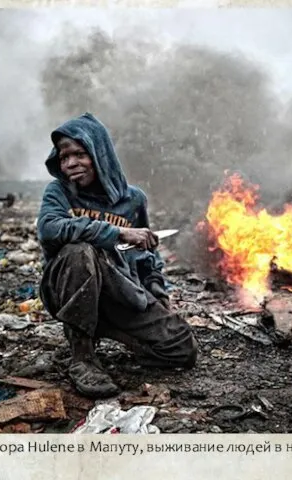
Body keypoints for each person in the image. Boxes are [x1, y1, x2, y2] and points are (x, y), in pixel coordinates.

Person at [37, 113, 197, 398]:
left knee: (182, 349)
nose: (70, 163)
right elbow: (50, 228)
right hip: (67, 286)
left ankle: (109, 329)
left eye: (79, 154)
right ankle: (82, 356)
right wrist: (117, 233)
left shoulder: (132, 199)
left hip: (119, 289)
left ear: (100, 154)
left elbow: (146, 255)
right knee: (80, 251)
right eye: (64, 157)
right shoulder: (58, 191)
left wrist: (158, 294)